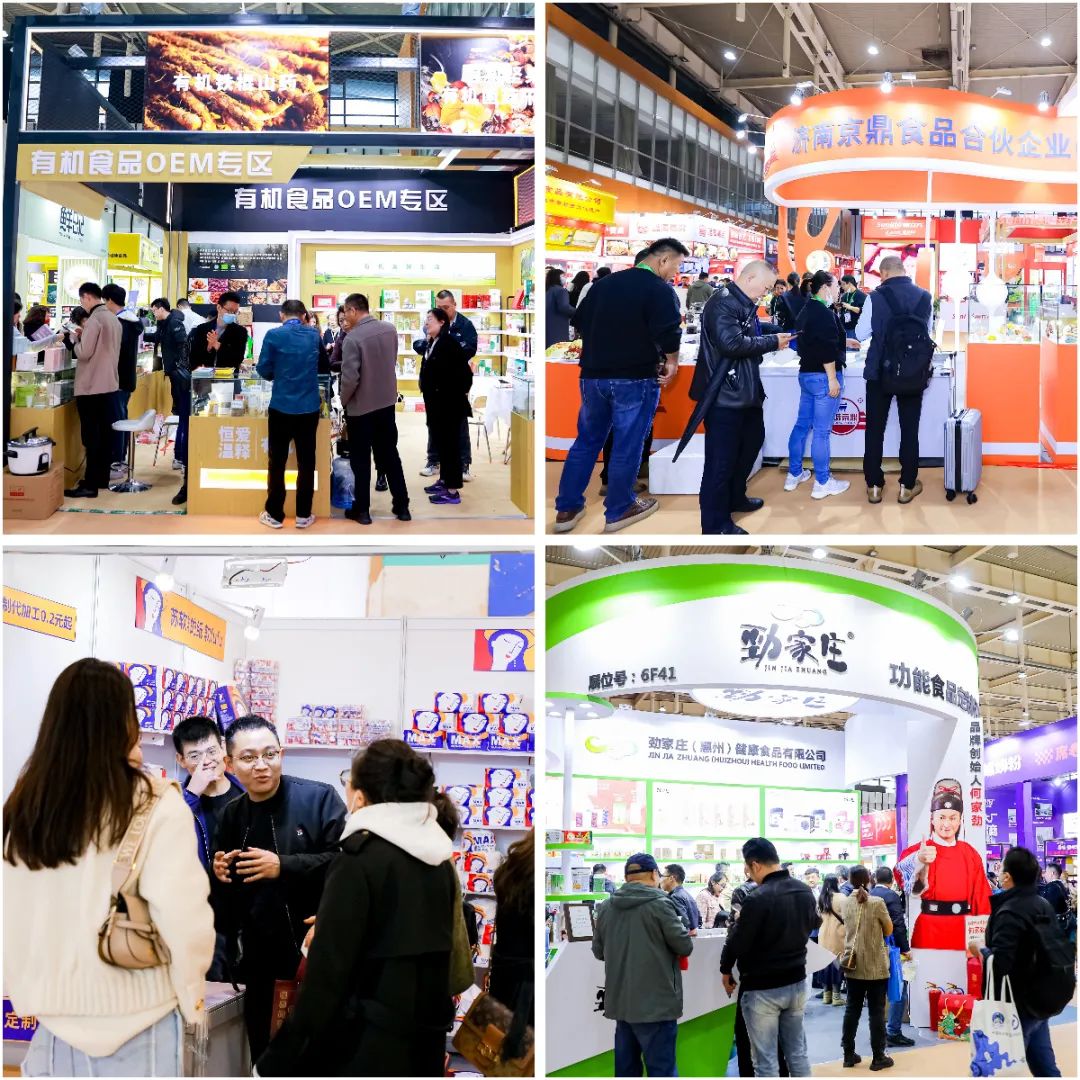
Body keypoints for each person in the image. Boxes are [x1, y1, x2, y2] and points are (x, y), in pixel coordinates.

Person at [3, 659, 215, 1076]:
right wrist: (193, 998)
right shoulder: (156, 802)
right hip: (142, 1019)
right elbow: (185, 919)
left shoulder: (25, 809)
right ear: (125, 721)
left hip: (50, 1025)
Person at [253, 741, 454, 1077]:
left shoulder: (358, 861)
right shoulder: (439, 861)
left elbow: (327, 977)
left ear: (360, 797)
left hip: (364, 1048)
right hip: (424, 1045)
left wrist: (276, 1060)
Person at [212, 715, 346, 1063]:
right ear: (229, 764)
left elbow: (346, 863)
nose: (261, 765)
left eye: (269, 754)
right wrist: (219, 872)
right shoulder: (231, 815)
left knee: (319, 1057)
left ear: (281, 754)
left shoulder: (319, 798)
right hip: (259, 962)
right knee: (266, 1055)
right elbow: (227, 898)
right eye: (248, 757)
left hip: (316, 954)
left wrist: (283, 865)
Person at [554, 238, 687, 534]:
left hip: (593, 376)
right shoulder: (659, 290)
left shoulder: (603, 285)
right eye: (676, 266)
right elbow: (669, 333)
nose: (675, 273)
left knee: (586, 442)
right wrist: (672, 362)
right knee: (628, 444)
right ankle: (619, 508)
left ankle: (567, 509)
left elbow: (579, 321)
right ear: (663, 260)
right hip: (635, 377)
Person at [683, 260, 794, 535]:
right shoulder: (723, 303)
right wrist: (773, 342)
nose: (766, 293)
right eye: (765, 287)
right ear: (750, 277)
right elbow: (731, 343)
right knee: (720, 463)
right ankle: (715, 525)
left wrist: (776, 333)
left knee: (750, 444)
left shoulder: (742, 302)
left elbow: (748, 332)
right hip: (725, 395)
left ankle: (735, 497)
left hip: (745, 391)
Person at [969, 846, 1074, 1078]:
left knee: (1000, 1070)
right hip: (1042, 998)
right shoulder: (1042, 903)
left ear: (1007, 877)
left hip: (1017, 1006)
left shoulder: (1009, 911)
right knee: (1045, 1067)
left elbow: (1001, 965)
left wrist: (980, 948)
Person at [720, 838, 819, 1078]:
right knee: (797, 1053)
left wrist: (726, 968)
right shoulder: (804, 890)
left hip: (762, 988)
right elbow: (814, 923)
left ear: (755, 865)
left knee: (765, 1062)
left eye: (747, 868)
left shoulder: (757, 898)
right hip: (797, 982)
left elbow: (738, 942)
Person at [591, 853, 693, 1077]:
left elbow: (598, 951)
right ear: (654, 874)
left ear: (627, 877)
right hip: (657, 1005)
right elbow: (684, 946)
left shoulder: (607, 907)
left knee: (626, 1070)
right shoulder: (661, 905)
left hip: (621, 1003)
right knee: (662, 1070)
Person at [855, 255, 934, 505]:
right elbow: (928, 333)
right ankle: (907, 486)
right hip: (913, 372)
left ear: (884, 273)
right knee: (909, 429)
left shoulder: (875, 297)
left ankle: (874, 485)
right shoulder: (925, 297)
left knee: (874, 429)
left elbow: (860, 333)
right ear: (903, 270)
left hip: (880, 371)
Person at [172, 715, 245, 982]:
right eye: (195, 755)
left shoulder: (247, 793)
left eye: (212, 751)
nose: (206, 761)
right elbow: (165, 842)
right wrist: (192, 794)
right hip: (202, 919)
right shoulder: (176, 803)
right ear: (181, 760)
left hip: (247, 914)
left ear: (223, 747)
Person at [338, 292, 411, 525]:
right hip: (386, 404)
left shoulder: (352, 339)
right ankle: (402, 507)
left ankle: (362, 511)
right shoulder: (390, 330)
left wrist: (343, 400)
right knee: (390, 455)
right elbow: (390, 361)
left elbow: (350, 378)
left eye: (346, 312)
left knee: (361, 460)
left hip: (361, 408)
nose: (345, 317)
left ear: (353, 310)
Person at [894, 778, 991, 950]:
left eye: (953, 818)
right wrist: (919, 860)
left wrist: (983, 937)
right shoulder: (917, 851)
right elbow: (903, 880)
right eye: (941, 817)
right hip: (929, 930)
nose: (947, 824)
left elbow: (982, 898)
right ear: (932, 819)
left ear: (960, 820)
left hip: (964, 930)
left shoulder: (970, 853)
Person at [784, 269, 853, 501]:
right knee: (821, 432)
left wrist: (846, 341)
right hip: (823, 378)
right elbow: (825, 348)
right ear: (825, 288)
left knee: (802, 425)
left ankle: (794, 474)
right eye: (836, 286)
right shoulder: (823, 313)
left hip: (806, 375)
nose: (838, 290)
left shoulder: (807, 309)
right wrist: (832, 378)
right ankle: (823, 482)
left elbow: (813, 341)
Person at [255, 299, 322, 530]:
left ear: (281, 315)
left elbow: (263, 369)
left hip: (281, 406)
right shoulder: (314, 335)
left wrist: (280, 374)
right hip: (309, 407)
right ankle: (303, 515)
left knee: (277, 462)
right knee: (306, 462)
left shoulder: (273, 335)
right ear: (304, 316)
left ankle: (274, 514)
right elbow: (323, 365)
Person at [65, 282, 121, 499]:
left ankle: (90, 485)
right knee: (105, 435)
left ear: (87, 297)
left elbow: (84, 353)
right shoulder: (113, 318)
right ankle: (101, 479)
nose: (82, 304)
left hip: (91, 387)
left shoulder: (95, 319)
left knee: (91, 437)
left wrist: (74, 340)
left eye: (81, 300)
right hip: (109, 385)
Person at [417, 290, 476, 484]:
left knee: (456, 429)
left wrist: (447, 357)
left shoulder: (464, 326)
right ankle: (434, 461)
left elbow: (469, 349)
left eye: (446, 307)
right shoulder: (432, 332)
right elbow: (418, 344)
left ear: (454, 305)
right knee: (436, 427)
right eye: (439, 307)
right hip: (434, 392)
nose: (442, 310)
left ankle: (462, 465)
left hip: (452, 390)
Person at [840, 865, 894, 1071]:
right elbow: (888, 929)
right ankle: (878, 1057)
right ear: (869, 879)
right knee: (876, 1012)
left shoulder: (845, 902)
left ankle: (848, 1055)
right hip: (876, 966)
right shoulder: (877, 902)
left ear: (850, 880)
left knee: (851, 1009)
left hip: (852, 964)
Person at [489, 831, 535, 1064]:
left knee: (500, 1055)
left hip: (504, 979)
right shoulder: (532, 878)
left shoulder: (509, 872)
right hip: (527, 987)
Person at [147, 299, 192, 503]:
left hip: (179, 375)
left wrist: (179, 367)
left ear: (161, 309)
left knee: (183, 414)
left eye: (154, 310)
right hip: (174, 373)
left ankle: (180, 456)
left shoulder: (174, 322)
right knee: (179, 413)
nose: (153, 314)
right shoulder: (164, 324)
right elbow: (158, 338)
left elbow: (183, 345)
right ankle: (179, 455)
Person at [866, 867, 913, 1046]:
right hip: (889, 949)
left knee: (876, 993)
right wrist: (905, 949)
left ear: (874, 879)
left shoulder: (868, 894)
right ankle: (893, 1031)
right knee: (898, 989)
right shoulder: (891, 896)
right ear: (892, 880)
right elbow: (898, 924)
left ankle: (877, 1033)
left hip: (869, 949)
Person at [100, 283, 143, 477]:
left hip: (117, 379)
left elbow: (113, 351)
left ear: (109, 300)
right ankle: (119, 459)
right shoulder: (130, 320)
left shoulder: (121, 323)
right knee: (121, 419)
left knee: (117, 421)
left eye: (104, 301)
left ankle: (117, 462)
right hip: (125, 379)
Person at [188, 290, 249, 373]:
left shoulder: (240, 332)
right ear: (219, 308)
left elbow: (238, 359)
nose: (232, 314)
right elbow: (194, 357)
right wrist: (209, 348)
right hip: (205, 377)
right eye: (229, 310)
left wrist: (217, 345)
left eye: (235, 312)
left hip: (229, 378)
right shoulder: (202, 329)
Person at [817, 874, 847, 1007]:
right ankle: (836, 997)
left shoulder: (821, 897)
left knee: (825, 965)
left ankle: (826, 995)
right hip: (838, 936)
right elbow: (847, 917)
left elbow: (818, 915)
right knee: (836, 965)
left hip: (823, 935)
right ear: (837, 883)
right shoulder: (841, 897)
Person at [661, 864, 701, 931]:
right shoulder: (687, 895)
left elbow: (682, 924)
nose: (661, 880)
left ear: (671, 878)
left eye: (662, 876)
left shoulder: (675, 897)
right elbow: (699, 920)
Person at [545, 267, 575, 347]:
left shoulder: (548, 289)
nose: (565, 278)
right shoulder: (561, 290)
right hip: (558, 326)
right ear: (556, 277)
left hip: (548, 326)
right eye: (562, 276)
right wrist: (577, 312)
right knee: (558, 350)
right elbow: (564, 307)